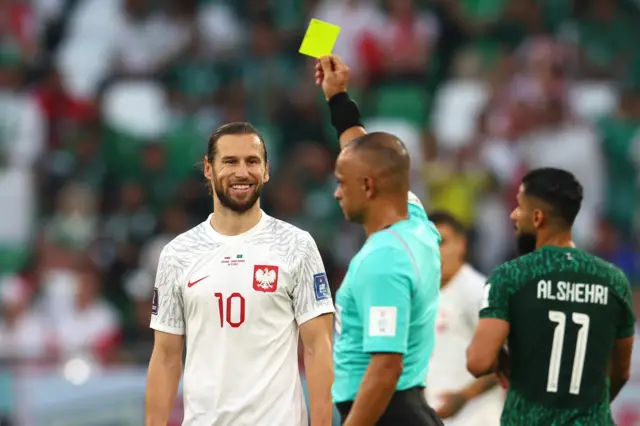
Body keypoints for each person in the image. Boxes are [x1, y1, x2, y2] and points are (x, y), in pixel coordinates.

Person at [145, 122, 335, 426]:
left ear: (267, 170)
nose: (242, 172)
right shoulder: (177, 254)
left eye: (252, 161)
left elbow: (317, 348)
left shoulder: (297, 246)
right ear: (208, 168)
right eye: (230, 161)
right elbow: (166, 357)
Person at [315, 55, 444, 426]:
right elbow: (364, 155)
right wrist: (338, 99)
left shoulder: (383, 260)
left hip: (387, 416)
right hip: (406, 410)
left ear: (368, 187)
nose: (337, 194)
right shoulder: (416, 222)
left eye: (342, 184)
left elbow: (386, 367)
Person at [466, 167, 636, 425]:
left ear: (537, 218)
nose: (513, 214)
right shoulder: (614, 280)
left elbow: (478, 362)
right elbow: (621, 372)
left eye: (519, 207)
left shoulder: (511, 276)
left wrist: (501, 354)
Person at [425, 211, 503, 426]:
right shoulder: (424, 297)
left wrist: (465, 396)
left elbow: (507, 356)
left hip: (477, 418)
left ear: (462, 244)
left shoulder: (477, 291)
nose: (435, 252)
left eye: (443, 243)